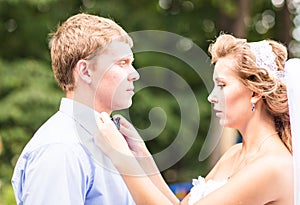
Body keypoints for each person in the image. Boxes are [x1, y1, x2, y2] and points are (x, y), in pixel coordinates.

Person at [95, 33, 294, 204]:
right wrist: (141, 154)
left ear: (254, 93)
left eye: (222, 85)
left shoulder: (273, 166)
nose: (211, 96)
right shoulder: (234, 154)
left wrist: (120, 156)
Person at [11, 13, 139, 204]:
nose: (134, 74)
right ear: (85, 71)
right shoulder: (61, 149)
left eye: (131, 64)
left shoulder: (112, 140)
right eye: (122, 63)